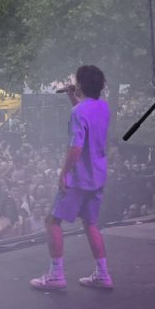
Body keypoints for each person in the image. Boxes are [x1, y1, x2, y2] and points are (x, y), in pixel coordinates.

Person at [31, 66, 112, 291]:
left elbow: (76, 147)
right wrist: (71, 97)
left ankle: (56, 275)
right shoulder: (103, 107)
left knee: (52, 221)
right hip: (97, 174)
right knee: (91, 223)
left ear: (81, 84)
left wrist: (64, 172)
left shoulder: (78, 113)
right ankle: (103, 274)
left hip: (79, 177)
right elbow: (86, 117)